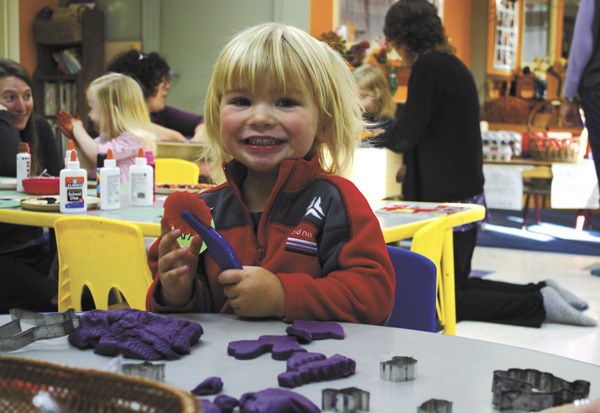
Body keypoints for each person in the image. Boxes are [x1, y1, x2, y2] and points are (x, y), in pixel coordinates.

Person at [145, 22, 396, 324]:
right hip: (222, 368)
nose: (260, 117)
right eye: (241, 101)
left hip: (312, 365)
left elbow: (373, 298)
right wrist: (176, 292)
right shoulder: (205, 211)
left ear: (325, 122)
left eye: (286, 102)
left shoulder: (338, 203)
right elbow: (183, 313)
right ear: (217, 115)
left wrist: (282, 296)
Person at [374, 0, 596, 327]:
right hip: (463, 194)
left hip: (447, 200)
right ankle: (542, 290)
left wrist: (362, 132)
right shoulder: (450, 64)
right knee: (453, 285)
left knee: (444, 296)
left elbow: (405, 135)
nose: (392, 48)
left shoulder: (429, 68)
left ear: (402, 36)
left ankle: (537, 303)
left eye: (392, 38)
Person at [0, 59, 63, 313]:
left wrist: (62, 264)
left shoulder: (39, 127)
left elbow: (62, 186)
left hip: (38, 250)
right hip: (4, 256)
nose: (21, 106)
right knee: (60, 303)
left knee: (86, 295)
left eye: (27, 96)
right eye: (9, 98)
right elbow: (7, 168)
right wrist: (3, 117)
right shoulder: (5, 129)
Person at [57, 72, 157, 182]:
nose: (89, 114)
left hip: (129, 197)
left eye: (92, 109)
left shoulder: (135, 139)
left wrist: (78, 129)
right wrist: (76, 140)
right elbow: (88, 170)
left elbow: (98, 155)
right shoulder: (105, 138)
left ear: (110, 112)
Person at [106, 49, 205, 143]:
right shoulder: (104, 118)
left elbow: (204, 122)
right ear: (140, 85)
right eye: (158, 81)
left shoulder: (160, 113)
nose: (167, 86)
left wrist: (194, 145)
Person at [353, 64, 397, 135]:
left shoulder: (386, 124)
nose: (356, 102)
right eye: (352, 96)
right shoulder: (353, 119)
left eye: (362, 97)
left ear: (378, 96)